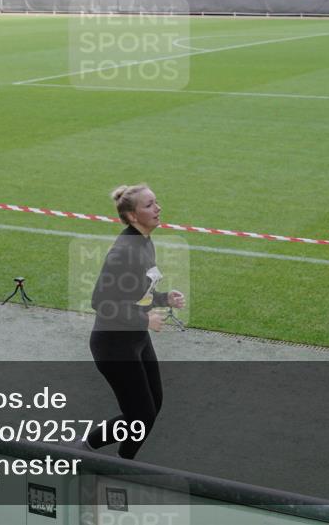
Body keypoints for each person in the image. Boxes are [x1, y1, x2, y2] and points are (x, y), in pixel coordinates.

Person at [84, 184, 185, 459]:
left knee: (151, 407)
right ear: (132, 216)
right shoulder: (123, 252)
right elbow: (100, 302)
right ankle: (108, 460)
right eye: (150, 204)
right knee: (141, 414)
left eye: (156, 202)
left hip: (135, 340)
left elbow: (134, 292)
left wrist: (164, 299)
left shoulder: (144, 241)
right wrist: (144, 319)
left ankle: (94, 452)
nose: (158, 208)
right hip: (113, 346)